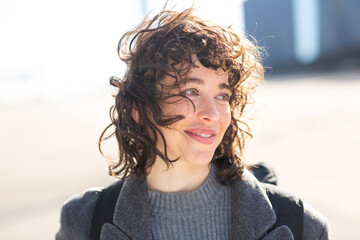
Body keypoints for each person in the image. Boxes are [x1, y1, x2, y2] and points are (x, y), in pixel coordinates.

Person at [56, 7, 330, 240]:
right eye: (190, 91)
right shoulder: (82, 223)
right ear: (138, 108)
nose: (212, 113)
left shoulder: (302, 226)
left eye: (222, 95)